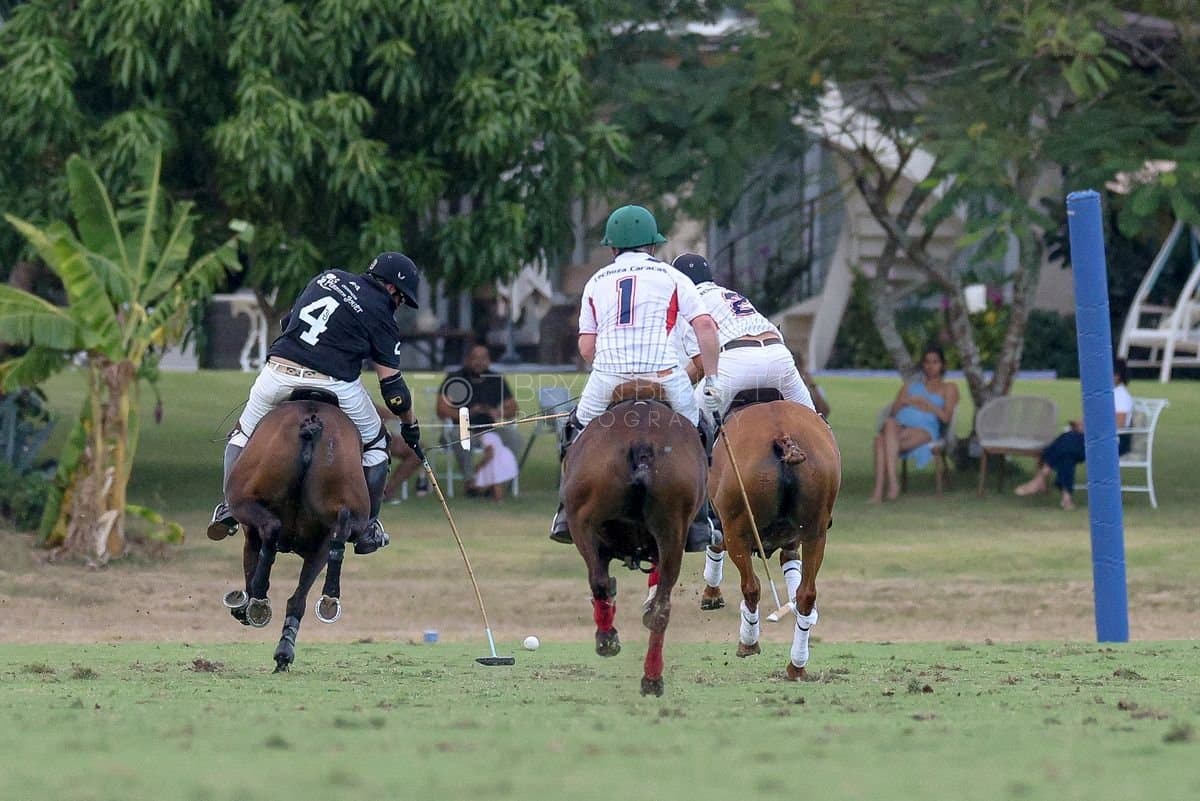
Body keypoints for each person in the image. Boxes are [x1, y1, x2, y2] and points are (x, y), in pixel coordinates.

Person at [206, 252, 424, 554]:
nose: (399, 305)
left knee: (242, 433)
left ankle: (230, 507)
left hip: (279, 374)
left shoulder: (327, 276)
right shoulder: (382, 314)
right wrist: (410, 424)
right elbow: (394, 390)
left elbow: (287, 321)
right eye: (401, 299)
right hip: (334, 383)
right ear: (391, 289)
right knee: (376, 445)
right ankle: (369, 525)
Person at [549, 205, 722, 543]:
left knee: (572, 429)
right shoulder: (674, 277)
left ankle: (564, 513)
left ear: (612, 248)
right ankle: (702, 519)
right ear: (653, 246)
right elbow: (704, 325)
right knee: (701, 431)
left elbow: (586, 348)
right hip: (665, 376)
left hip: (608, 377)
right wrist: (712, 379)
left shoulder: (596, 281)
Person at [670, 253, 817, 417]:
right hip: (779, 357)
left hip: (735, 364)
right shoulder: (731, 294)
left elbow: (703, 365)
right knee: (816, 423)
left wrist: (676, 385)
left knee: (690, 422)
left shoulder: (688, 301)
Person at [1014, 357, 1133, 510]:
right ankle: (1066, 497)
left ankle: (1041, 476)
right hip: (1094, 438)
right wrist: (1081, 425)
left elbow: (1118, 424)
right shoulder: (1106, 393)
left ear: (1116, 375)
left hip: (1110, 442)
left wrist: (1089, 429)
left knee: (1067, 442)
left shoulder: (1121, 396)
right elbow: (1096, 417)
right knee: (1067, 449)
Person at [870, 344, 960, 503]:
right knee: (889, 426)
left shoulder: (949, 388)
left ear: (942, 365)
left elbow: (946, 418)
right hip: (900, 427)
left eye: (935, 362)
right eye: (927, 362)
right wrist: (905, 402)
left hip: (925, 429)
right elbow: (894, 412)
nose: (931, 366)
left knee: (880, 441)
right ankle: (891, 483)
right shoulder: (910, 387)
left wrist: (927, 405)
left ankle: (880, 491)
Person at [435, 344, 521, 493]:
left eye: (484, 358)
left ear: (489, 360)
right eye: (476, 358)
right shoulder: (456, 378)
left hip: (489, 429)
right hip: (461, 427)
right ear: (467, 359)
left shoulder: (495, 379)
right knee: (460, 436)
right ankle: (471, 481)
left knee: (515, 438)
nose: (480, 362)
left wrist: (498, 412)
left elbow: (513, 407)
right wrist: (466, 414)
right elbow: (441, 409)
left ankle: (495, 481)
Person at [376, 403, 424, 504]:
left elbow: (372, 407)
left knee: (417, 450)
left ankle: (386, 491)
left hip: (372, 432)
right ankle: (381, 493)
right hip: (355, 434)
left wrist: (397, 419)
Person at [467, 412, 519, 501]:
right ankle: (489, 494)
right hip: (503, 457)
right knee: (491, 478)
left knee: (495, 481)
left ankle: (498, 499)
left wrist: (481, 464)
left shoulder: (485, 437)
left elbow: (490, 452)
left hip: (498, 460)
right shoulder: (493, 434)